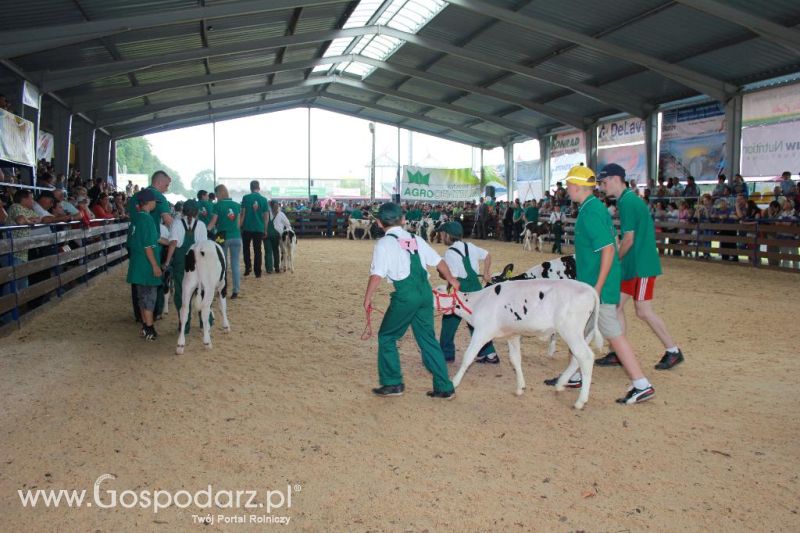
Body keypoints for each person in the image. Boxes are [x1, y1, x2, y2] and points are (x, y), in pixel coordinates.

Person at [545, 165, 655, 405]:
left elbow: (607, 249)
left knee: (613, 334)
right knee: (578, 330)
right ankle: (573, 375)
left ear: (575, 187)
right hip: (592, 285)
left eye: (568, 187)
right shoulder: (593, 207)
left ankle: (641, 383)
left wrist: (597, 287)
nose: (566, 192)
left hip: (597, 288)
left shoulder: (590, 212)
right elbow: (612, 244)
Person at [363, 202, 460, 399]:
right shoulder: (416, 238)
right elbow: (439, 262)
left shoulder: (383, 243)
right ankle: (444, 387)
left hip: (405, 295)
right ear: (404, 220)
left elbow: (377, 274)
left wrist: (367, 298)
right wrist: (451, 279)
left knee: (387, 337)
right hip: (425, 292)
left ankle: (392, 383)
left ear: (380, 223)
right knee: (427, 339)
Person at [596, 163, 684, 370]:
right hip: (633, 265)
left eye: (604, 181)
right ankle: (618, 351)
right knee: (615, 306)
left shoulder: (628, 202)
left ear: (616, 179)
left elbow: (628, 239)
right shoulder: (628, 200)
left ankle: (673, 350)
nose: (602, 186)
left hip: (640, 265)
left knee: (643, 311)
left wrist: (614, 260)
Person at [438, 221, 498, 364]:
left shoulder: (450, 252)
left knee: (449, 321)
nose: (440, 236)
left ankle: (446, 354)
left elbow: (451, 276)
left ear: (447, 235)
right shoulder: (469, 246)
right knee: (476, 321)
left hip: (460, 288)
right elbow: (487, 255)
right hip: (476, 287)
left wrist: (441, 271)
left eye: (441, 234)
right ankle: (489, 354)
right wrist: (486, 273)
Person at [128, 170, 172, 320]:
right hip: (151, 244)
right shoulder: (159, 198)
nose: (167, 188)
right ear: (158, 182)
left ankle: (139, 315)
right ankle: (154, 314)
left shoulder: (134, 197)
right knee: (154, 280)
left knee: (137, 281)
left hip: (135, 242)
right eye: (166, 185)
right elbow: (168, 221)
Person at [164, 200, 208, 333]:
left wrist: (167, 262)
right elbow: (203, 246)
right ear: (197, 212)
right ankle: (204, 321)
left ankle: (185, 323)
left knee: (182, 293)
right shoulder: (201, 224)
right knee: (201, 291)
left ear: (183, 211)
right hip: (197, 262)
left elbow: (173, 243)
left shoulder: (176, 223)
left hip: (181, 262)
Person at [126, 189, 163, 341]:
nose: (156, 204)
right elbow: (148, 246)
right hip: (147, 264)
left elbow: (146, 240)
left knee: (142, 297)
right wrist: (155, 265)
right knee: (149, 297)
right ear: (149, 202)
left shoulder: (136, 218)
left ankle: (144, 326)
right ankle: (149, 328)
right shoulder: (147, 219)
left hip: (137, 264)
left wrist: (168, 242)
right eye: (155, 201)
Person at [207, 184, 241, 299]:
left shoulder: (218, 206)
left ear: (218, 193)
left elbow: (212, 223)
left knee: (223, 264)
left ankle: (223, 289)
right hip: (236, 236)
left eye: (216, 194)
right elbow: (237, 224)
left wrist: (205, 230)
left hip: (222, 237)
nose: (215, 196)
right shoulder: (237, 205)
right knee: (235, 264)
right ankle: (236, 290)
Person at [241, 180, 268, 278]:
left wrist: (240, 226)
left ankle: (248, 267)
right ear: (259, 188)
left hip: (247, 227)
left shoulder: (245, 198)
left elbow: (243, 214)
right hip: (259, 228)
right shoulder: (264, 200)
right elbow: (266, 216)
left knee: (246, 249)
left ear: (250, 188)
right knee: (258, 250)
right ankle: (258, 272)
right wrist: (265, 229)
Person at [264, 200, 291, 274]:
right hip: (277, 235)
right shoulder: (281, 214)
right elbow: (288, 224)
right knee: (276, 251)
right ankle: (276, 268)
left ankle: (269, 268)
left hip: (266, 234)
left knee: (268, 251)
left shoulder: (266, 213)